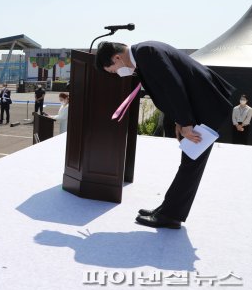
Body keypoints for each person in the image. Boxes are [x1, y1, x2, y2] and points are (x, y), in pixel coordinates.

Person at [95, 41, 235, 229]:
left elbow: (173, 86)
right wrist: (180, 120)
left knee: (191, 162)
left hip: (206, 105)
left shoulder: (146, 53)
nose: (118, 74)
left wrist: (186, 123)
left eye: (113, 70)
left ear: (117, 57)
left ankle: (170, 215)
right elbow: (171, 87)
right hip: (201, 105)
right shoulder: (143, 54)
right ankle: (167, 210)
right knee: (190, 161)